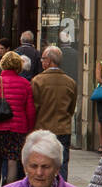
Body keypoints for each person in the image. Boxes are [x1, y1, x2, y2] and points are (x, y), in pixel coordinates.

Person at [0, 51, 36, 187]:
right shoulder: (25, 84)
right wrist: (30, 129)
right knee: (12, 161)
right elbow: (30, 110)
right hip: (17, 129)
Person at [31, 46, 78, 179]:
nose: (41, 62)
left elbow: (34, 107)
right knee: (62, 162)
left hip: (43, 129)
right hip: (63, 129)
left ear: (49, 61)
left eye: (43, 59)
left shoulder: (37, 81)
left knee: (44, 163)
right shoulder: (70, 82)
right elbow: (71, 108)